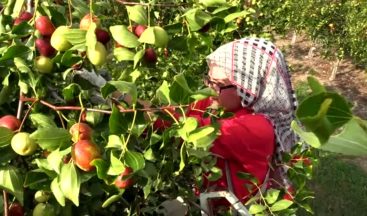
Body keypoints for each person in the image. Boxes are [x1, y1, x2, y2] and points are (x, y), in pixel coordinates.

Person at [184, 37, 299, 210]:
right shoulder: (220, 100)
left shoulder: (259, 127)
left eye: (218, 84)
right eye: (209, 80)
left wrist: (143, 114)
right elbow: (182, 112)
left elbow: (190, 129)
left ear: (249, 88)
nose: (210, 89)